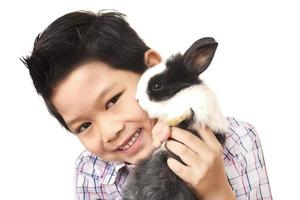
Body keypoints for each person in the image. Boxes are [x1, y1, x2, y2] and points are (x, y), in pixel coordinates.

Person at [21, 10, 272, 200]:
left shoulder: (239, 142)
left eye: (112, 101)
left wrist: (217, 191)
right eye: (84, 125)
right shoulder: (92, 172)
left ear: (152, 69)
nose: (110, 131)